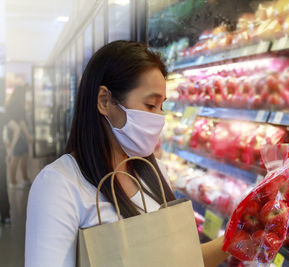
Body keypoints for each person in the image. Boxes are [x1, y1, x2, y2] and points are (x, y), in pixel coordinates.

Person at [25, 41, 228, 267]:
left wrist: (237, 236)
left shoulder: (154, 171)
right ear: (104, 101)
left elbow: (181, 259)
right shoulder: (59, 184)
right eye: (151, 105)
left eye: (163, 107)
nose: (159, 118)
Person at [4, 85, 32, 188]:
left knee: (22, 156)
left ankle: (23, 179)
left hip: (16, 134)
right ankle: (13, 182)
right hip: (19, 135)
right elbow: (21, 122)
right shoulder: (17, 105)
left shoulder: (12, 103)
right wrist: (28, 134)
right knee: (17, 157)